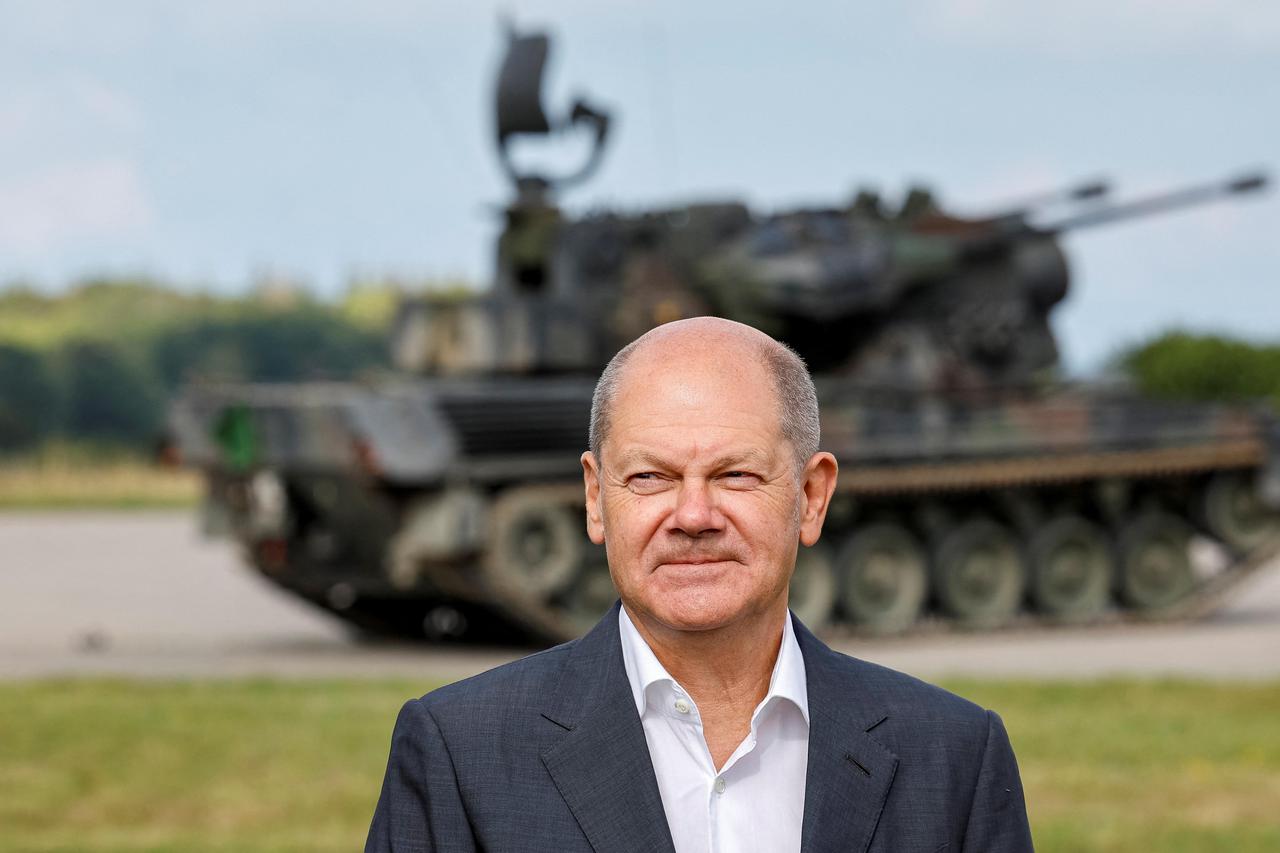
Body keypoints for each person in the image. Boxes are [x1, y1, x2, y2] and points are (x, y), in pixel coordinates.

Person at [366, 317, 1034, 852]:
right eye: (650, 477)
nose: (692, 516)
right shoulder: (461, 755)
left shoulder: (953, 759)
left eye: (736, 475)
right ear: (596, 499)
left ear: (812, 494)